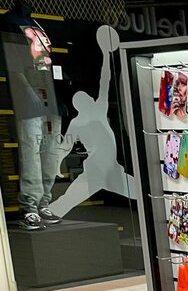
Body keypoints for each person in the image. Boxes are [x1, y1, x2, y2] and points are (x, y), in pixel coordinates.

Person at [48, 25, 133, 218]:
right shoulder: (87, 116)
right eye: (86, 98)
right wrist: (56, 164)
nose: (89, 99)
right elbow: (65, 147)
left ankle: (50, 213)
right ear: (82, 104)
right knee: (67, 201)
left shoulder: (94, 112)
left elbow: (105, 80)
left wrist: (106, 56)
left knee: (140, 193)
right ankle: (48, 214)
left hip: (111, 169)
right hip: (96, 170)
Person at [0, 0, 62, 230]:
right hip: (27, 98)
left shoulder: (36, 23)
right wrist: (26, 90)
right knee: (31, 153)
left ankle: (44, 202)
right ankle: (30, 207)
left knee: (50, 152)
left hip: (50, 95)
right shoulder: (8, 22)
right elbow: (12, 63)